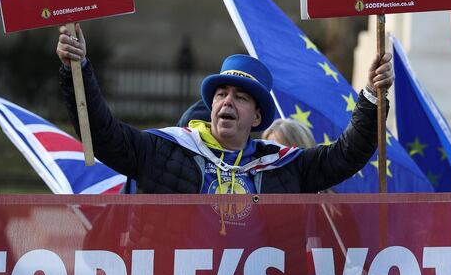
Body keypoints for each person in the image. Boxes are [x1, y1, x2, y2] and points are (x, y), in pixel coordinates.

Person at [56, 24, 393, 194]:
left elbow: (347, 155)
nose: (227, 101)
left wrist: (371, 97)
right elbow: (101, 134)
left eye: (241, 97)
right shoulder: (165, 150)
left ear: (257, 117)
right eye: (221, 94)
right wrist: (79, 68)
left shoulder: (282, 166)